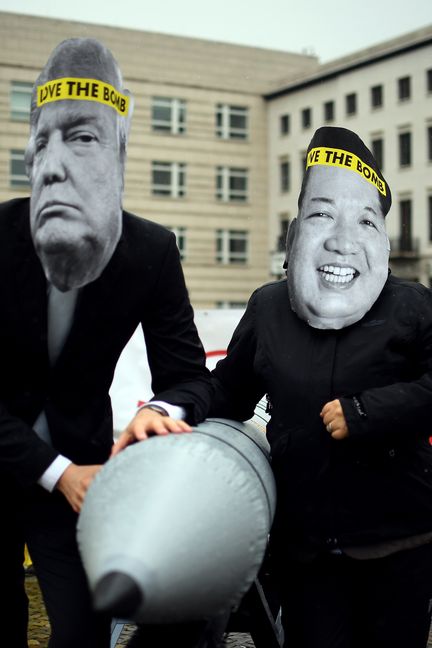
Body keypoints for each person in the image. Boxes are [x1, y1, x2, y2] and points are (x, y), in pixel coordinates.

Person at [0, 38, 210, 648]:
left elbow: (192, 377)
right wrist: (56, 471)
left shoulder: (150, 250)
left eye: (83, 137)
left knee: (83, 636)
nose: (54, 163)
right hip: (53, 470)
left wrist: (156, 412)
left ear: (121, 150)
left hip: (82, 481)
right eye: (43, 141)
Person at [210, 126, 432, 648]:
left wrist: (365, 412)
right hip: (307, 550)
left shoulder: (412, 306)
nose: (340, 238)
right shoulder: (268, 306)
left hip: (399, 543)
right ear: (298, 228)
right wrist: (172, 410)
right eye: (321, 214)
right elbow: (229, 392)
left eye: (362, 220)